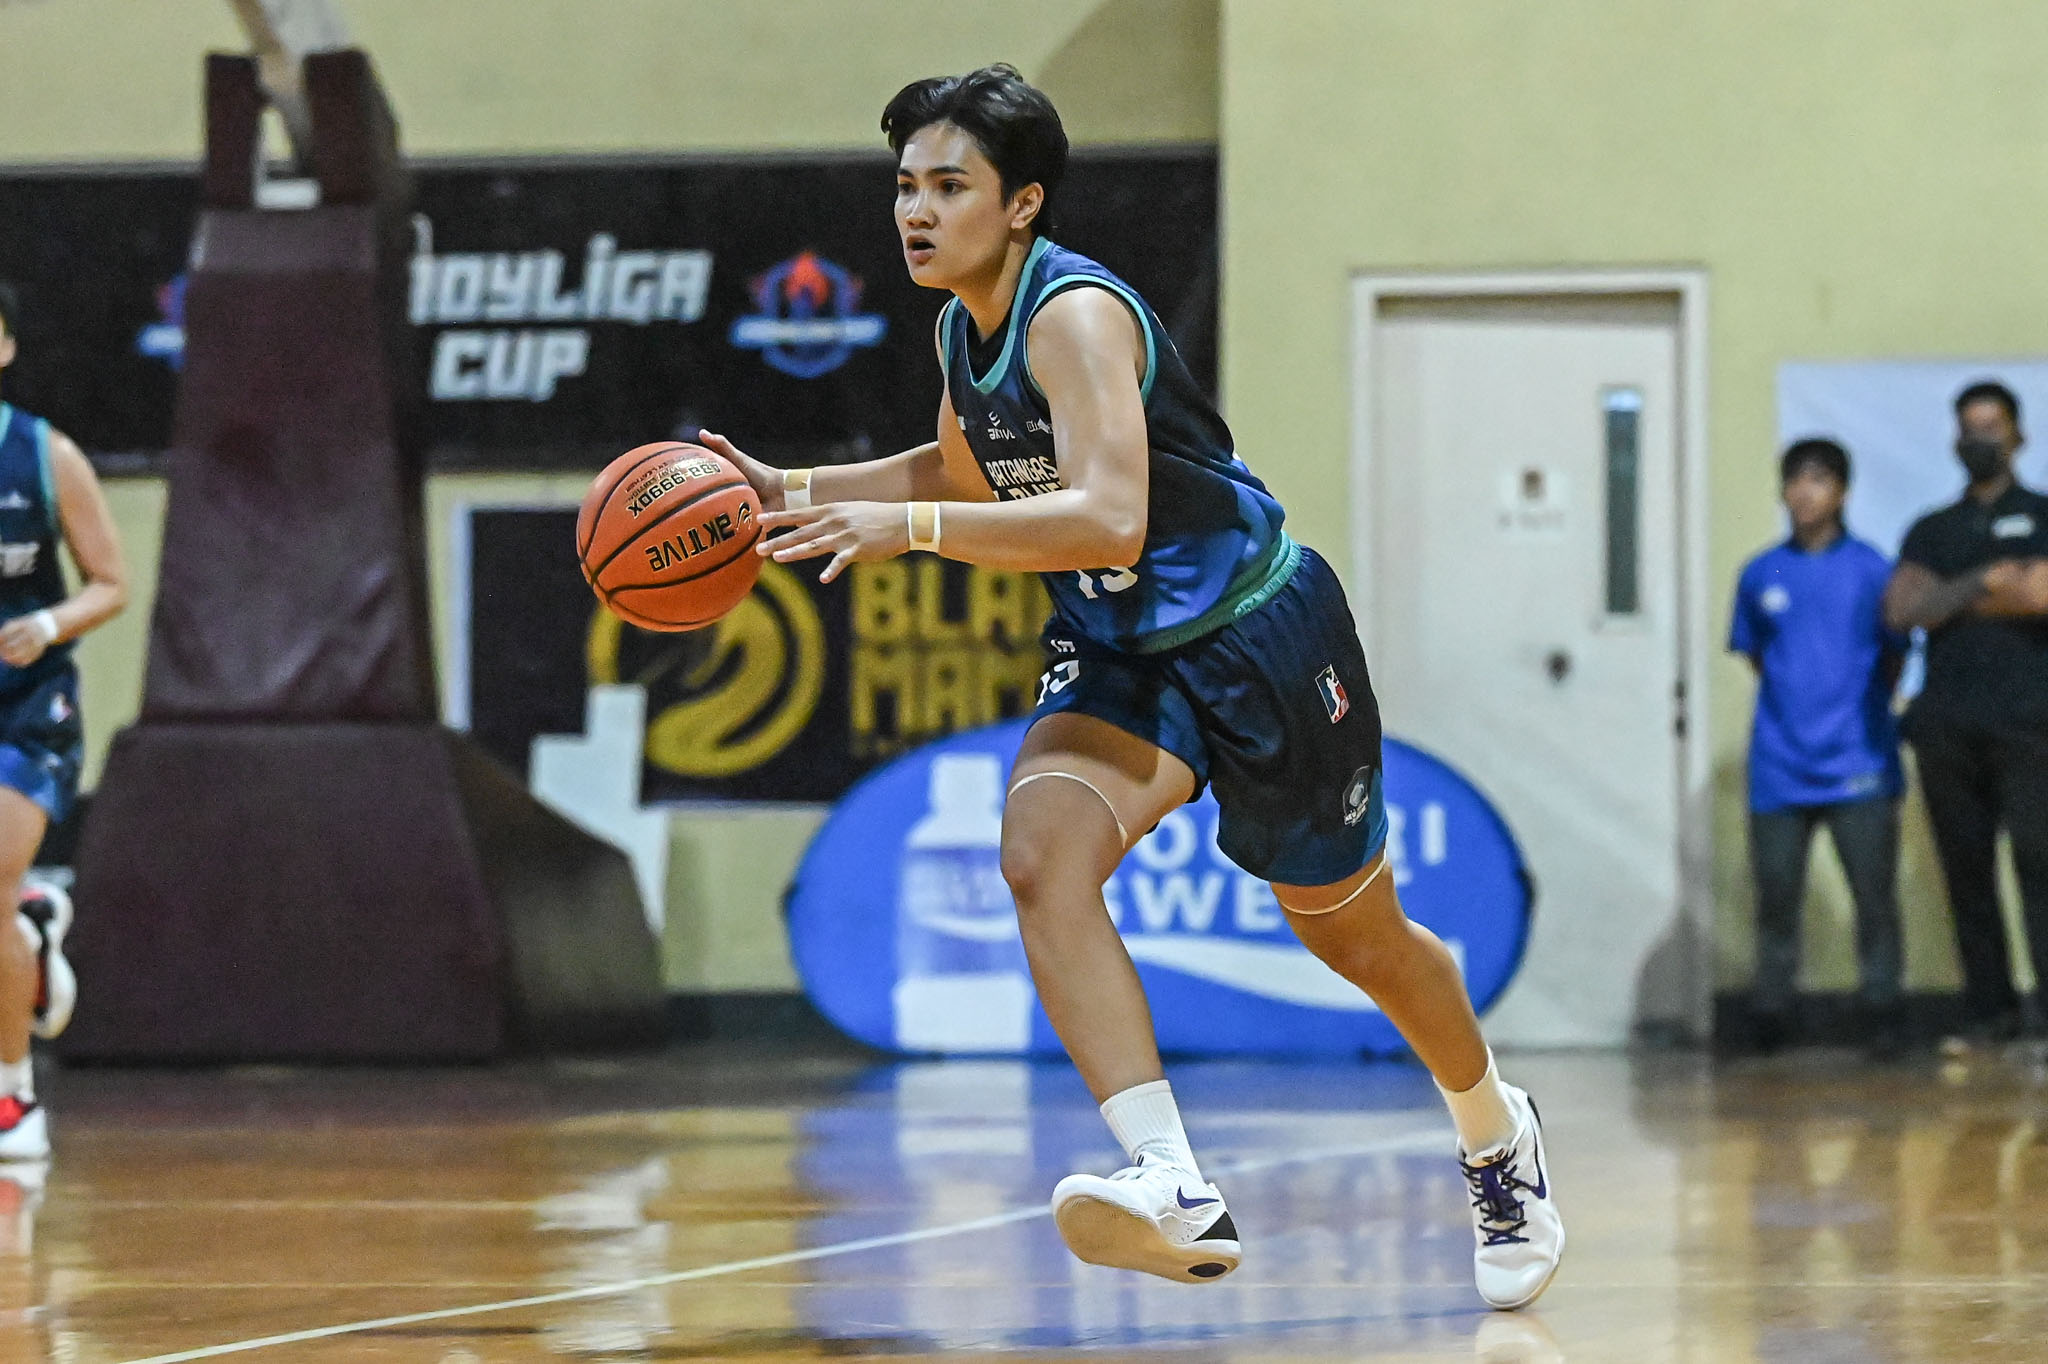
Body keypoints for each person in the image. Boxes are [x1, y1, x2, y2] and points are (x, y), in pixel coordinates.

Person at [699, 65, 1563, 1309]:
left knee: (1352, 934)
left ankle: (1493, 1130)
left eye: (949, 186)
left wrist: (914, 533)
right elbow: (962, 471)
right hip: (1119, 647)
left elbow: (1106, 517)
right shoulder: (962, 328)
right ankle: (1170, 1176)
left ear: (1022, 203)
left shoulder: (1074, 315)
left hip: (1255, 635)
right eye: (905, 186)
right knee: (1039, 858)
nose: (916, 211)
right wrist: (785, 489)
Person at [0, 283, 128, 1160]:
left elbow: (111, 583)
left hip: (26, 706)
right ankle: (34, 934)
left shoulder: (46, 456)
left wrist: (47, 624)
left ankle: (13, 1097)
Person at [1884, 380, 2048, 1054]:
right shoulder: (1933, 528)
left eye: (1991, 426)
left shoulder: (2042, 514)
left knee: (2040, 868)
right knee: (1966, 873)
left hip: (2032, 726)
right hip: (1947, 727)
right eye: (1968, 428)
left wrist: (1949, 597)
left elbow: (2042, 596)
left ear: (2018, 436)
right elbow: (1904, 611)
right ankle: (1990, 1013)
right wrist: (1987, 581)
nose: (1979, 439)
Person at [1729, 439, 1906, 1058]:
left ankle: (1883, 1012)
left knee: (1874, 899)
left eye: (1820, 480)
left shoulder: (1873, 569)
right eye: (1795, 480)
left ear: (1843, 492)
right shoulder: (1761, 573)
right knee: (1777, 899)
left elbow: (1893, 656)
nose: (1805, 493)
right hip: (1779, 767)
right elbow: (1757, 655)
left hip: (1860, 762)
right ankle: (1772, 1015)